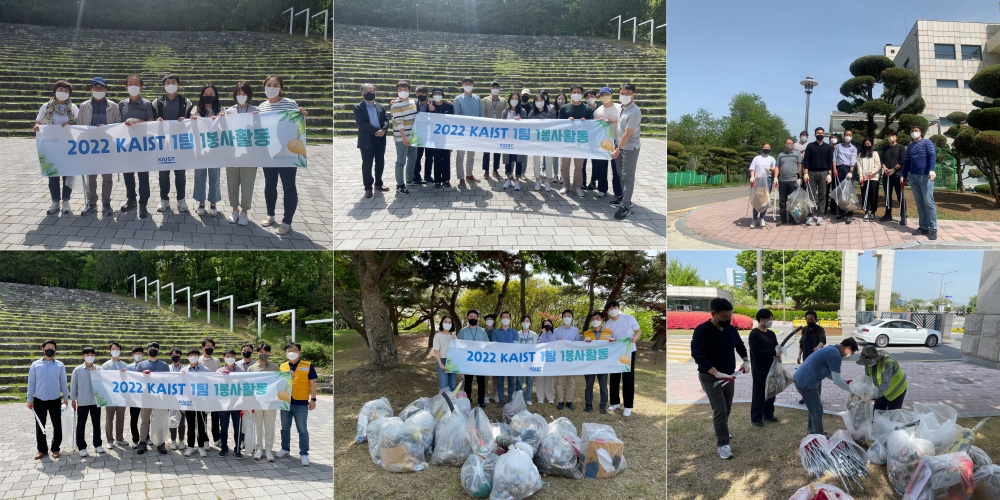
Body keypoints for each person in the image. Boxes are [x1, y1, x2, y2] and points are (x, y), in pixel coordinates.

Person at [690, 298, 749, 459]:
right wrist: (715, 373)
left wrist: (745, 360)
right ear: (713, 314)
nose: (728, 320)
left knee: (727, 407)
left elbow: (740, 345)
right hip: (710, 377)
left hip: (729, 376)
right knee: (720, 409)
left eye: (730, 316)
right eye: (724, 317)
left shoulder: (731, 329)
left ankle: (722, 429)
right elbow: (697, 354)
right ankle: (723, 444)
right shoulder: (702, 330)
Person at [257, 75, 308, 234]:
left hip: (288, 153)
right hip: (269, 153)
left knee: (289, 186)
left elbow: (297, 123)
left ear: (281, 87)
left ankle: (287, 222)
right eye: (269, 85)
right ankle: (270, 215)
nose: (271, 88)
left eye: (275, 85)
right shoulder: (262, 107)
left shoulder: (290, 103)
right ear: (264, 87)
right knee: (270, 184)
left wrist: (303, 114)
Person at [793, 338, 859, 437]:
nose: (849, 355)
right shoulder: (835, 355)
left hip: (802, 379)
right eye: (851, 353)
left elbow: (829, 372)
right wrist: (853, 390)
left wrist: (844, 381)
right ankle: (819, 435)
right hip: (806, 382)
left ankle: (811, 430)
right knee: (817, 409)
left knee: (813, 407)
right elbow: (837, 381)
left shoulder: (832, 350)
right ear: (848, 348)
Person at [33, 80, 79, 215]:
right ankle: (55, 201)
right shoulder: (46, 106)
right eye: (60, 90)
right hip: (51, 147)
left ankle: (66, 201)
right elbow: (39, 121)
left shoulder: (73, 108)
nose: (63, 93)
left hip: (68, 146)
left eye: (66, 91)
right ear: (55, 91)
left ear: (69, 93)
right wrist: (36, 127)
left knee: (68, 175)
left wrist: (70, 125)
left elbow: (79, 124)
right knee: (53, 175)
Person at [78, 76, 120, 217]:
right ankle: (91, 203)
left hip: (107, 146)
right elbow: (78, 126)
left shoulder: (113, 106)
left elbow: (118, 125)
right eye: (96, 88)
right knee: (91, 177)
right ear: (91, 89)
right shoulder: (84, 106)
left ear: (106, 90)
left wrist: (106, 128)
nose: (98, 90)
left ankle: (106, 202)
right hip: (89, 146)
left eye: (101, 88)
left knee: (107, 176)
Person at [118, 76, 157, 219]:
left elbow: (151, 123)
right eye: (130, 84)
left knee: (143, 177)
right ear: (126, 87)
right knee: (128, 175)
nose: (133, 86)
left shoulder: (147, 104)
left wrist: (138, 121)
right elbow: (117, 124)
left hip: (142, 147)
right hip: (126, 147)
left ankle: (143, 203)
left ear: (141, 87)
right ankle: (131, 199)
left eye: (136, 84)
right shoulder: (121, 104)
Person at [153, 74, 193, 213]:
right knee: (163, 175)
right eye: (168, 82)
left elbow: (192, 121)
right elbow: (151, 122)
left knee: (180, 174)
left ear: (178, 85)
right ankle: (164, 200)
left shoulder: (186, 102)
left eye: (173, 82)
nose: (170, 85)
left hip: (180, 144)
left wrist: (186, 119)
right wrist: (156, 121)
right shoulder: (156, 103)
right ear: (164, 86)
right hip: (163, 144)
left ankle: (181, 200)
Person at [27, 340, 69, 459]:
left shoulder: (60, 365)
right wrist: (29, 399)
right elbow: (31, 383)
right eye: (47, 347)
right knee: (40, 425)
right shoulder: (35, 365)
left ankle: (55, 449)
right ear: (43, 349)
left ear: (55, 350)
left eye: (52, 348)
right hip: (39, 399)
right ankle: (42, 450)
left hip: (55, 399)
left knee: (57, 425)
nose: (50, 349)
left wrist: (65, 398)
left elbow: (63, 383)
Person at [224, 81, 259, 224]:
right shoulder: (229, 111)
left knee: (247, 182)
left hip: (250, 155)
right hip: (232, 153)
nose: (241, 96)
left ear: (249, 95)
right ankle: (234, 209)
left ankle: (245, 211)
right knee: (232, 182)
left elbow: (262, 131)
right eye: (238, 94)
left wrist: (258, 120)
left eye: (244, 94)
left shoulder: (256, 111)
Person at [279, 342, 318, 466]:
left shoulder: (308, 366)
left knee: (302, 429)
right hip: (285, 402)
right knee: (285, 428)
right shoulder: (283, 366)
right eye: (289, 350)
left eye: (295, 350)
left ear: (299, 352)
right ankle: (285, 449)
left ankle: (304, 453)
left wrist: (313, 399)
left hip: (300, 403)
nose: (291, 352)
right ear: (285, 353)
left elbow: (312, 383)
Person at [190, 84, 223, 217]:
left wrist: (221, 120)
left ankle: (213, 202)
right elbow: (189, 128)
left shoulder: (221, 111)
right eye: (206, 94)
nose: (208, 96)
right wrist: (190, 121)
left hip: (216, 150)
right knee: (199, 177)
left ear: (215, 96)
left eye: (211, 94)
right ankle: (201, 202)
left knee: (215, 177)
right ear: (202, 95)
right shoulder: (195, 111)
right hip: (200, 150)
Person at [611, 83, 642, 220]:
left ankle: (626, 207)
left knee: (627, 177)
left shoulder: (635, 111)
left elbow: (627, 133)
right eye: (622, 93)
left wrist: (618, 149)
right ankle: (624, 199)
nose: (624, 96)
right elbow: (619, 122)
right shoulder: (621, 108)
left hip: (629, 148)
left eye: (627, 93)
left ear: (633, 95)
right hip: (620, 145)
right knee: (620, 174)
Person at [604, 301, 640, 416]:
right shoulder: (607, 324)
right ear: (607, 311)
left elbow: (638, 331)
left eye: (614, 307)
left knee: (628, 379)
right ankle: (615, 402)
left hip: (629, 351)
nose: (612, 309)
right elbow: (606, 338)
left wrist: (635, 338)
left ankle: (628, 406)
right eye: (610, 308)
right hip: (615, 353)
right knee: (614, 377)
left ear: (618, 308)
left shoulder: (629, 318)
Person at [355, 83, 390, 199]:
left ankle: (379, 183)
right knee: (367, 164)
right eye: (367, 91)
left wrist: (383, 130)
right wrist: (377, 131)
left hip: (380, 138)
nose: (370, 92)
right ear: (362, 93)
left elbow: (386, 120)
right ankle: (368, 187)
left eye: (372, 90)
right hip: (367, 139)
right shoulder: (358, 107)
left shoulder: (380, 106)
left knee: (380, 162)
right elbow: (361, 124)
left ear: (375, 92)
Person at [903, 124, 938, 240]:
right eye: (912, 131)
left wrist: (932, 169)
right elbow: (907, 162)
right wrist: (903, 175)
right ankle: (923, 227)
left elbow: (932, 155)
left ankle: (933, 229)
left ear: (920, 132)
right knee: (919, 204)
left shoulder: (927, 143)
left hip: (925, 177)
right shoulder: (910, 146)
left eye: (916, 130)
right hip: (913, 177)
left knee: (929, 203)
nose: (914, 132)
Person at [748, 309, 781, 427]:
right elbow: (757, 352)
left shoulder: (771, 333)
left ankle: (768, 414)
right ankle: (756, 418)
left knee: (771, 391)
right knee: (759, 393)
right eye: (769, 319)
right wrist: (774, 352)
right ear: (762, 319)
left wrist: (779, 353)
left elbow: (776, 346)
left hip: (771, 367)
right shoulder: (754, 334)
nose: (770, 321)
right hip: (759, 369)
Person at [559, 85, 593, 196]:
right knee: (564, 165)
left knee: (579, 166)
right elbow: (559, 124)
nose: (576, 94)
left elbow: (592, 125)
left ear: (582, 94)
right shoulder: (564, 108)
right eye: (574, 92)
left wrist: (586, 122)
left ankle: (577, 186)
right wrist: (567, 121)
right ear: (570, 94)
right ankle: (565, 185)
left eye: (578, 92)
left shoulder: (587, 108)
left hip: (581, 142)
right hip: (567, 140)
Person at [136, 342, 170, 455]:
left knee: (160, 420)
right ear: (147, 351)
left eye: (155, 348)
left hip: (160, 397)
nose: (153, 350)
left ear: (158, 351)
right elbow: (135, 380)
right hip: (145, 397)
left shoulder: (164, 365)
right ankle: (142, 441)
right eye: (150, 348)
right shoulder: (141, 365)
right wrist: (142, 376)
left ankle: (161, 443)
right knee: (144, 421)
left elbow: (169, 381)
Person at [70, 347, 105, 457]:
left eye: (92, 354)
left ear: (94, 356)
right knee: (81, 424)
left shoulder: (99, 369)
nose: (89, 356)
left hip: (96, 401)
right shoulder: (78, 370)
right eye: (87, 354)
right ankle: (81, 446)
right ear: (83, 356)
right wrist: (73, 399)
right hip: (83, 401)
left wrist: (97, 375)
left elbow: (104, 384)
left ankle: (98, 444)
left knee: (96, 423)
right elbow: (73, 385)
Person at [248, 343, 279, 461]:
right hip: (257, 403)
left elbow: (280, 383)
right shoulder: (251, 368)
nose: (263, 354)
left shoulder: (275, 367)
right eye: (261, 352)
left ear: (269, 353)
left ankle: (269, 450)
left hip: (271, 402)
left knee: (270, 427)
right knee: (258, 427)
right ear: (257, 353)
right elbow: (248, 385)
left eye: (266, 352)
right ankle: (259, 449)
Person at [389, 80, 419, 194]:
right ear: (397, 91)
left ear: (409, 90)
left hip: (413, 136)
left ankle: (409, 179)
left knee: (412, 158)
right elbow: (399, 123)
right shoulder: (395, 105)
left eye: (405, 89)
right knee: (401, 161)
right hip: (402, 137)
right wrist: (404, 138)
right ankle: (400, 185)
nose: (402, 91)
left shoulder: (412, 102)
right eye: (400, 89)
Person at [856, 345, 908, 410]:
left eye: (869, 361)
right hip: (881, 389)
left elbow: (886, 384)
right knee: (877, 412)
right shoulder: (867, 363)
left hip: (897, 390)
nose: (867, 364)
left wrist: (872, 396)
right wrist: (863, 392)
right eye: (866, 362)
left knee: (892, 415)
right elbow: (868, 378)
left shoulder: (887, 363)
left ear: (876, 358)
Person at [590, 87, 620, 198]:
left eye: (606, 94)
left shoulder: (619, 107)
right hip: (602, 142)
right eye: (602, 95)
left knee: (617, 169)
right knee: (601, 167)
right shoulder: (598, 111)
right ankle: (602, 189)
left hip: (617, 141)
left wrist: (614, 121)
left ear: (612, 95)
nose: (604, 96)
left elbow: (625, 121)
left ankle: (618, 191)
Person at [180, 349, 210, 457]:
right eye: (191, 355)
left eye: (195, 355)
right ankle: (190, 446)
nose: (193, 356)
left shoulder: (205, 369)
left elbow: (209, 384)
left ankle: (201, 446)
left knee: (201, 425)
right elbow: (179, 386)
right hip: (189, 402)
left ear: (198, 356)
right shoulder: (183, 370)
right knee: (191, 424)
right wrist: (181, 376)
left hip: (201, 401)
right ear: (187, 357)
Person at [802, 127, 834, 226]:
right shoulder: (810, 146)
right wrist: (805, 173)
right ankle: (810, 216)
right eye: (818, 133)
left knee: (822, 195)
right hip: (811, 173)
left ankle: (820, 215)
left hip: (824, 172)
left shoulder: (828, 147)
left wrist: (829, 174)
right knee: (811, 195)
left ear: (824, 135)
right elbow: (806, 160)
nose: (820, 134)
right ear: (815, 134)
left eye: (821, 133)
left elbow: (830, 161)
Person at [581, 311, 613, 414]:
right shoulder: (586, 333)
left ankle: (603, 405)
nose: (596, 320)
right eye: (593, 319)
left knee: (603, 385)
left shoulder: (609, 333)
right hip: (590, 364)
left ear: (602, 320)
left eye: (598, 318)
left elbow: (613, 347)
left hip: (603, 364)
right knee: (589, 385)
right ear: (590, 321)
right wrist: (584, 342)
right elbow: (581, 348)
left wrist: (614, 342)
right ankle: (588, 405)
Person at [452, 77, 482, 185]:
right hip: (462, 132)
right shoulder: (458, 99)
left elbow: (480, 115)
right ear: (462, 85)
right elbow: (457, 116)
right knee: (460, 155)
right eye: (466, 83)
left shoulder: (477, 99)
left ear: (473, 85)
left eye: (470, 83)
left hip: (474, 132)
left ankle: (469, 174)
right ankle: (461, 178)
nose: (468, 84)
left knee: (471, 155)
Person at [457, 310, 489, 408]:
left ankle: (481, 401)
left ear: (477, 318)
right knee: (468, 383)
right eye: (471, 316)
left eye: (475, 316)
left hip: (479, 362)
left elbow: (487, 344)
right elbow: (457, 345)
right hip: (468, 362)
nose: (473, 318)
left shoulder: (483, 331)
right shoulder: (462, 331)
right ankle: (467, 400)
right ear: (467, 318)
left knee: (481, 383)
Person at [216, 349, 245, 458]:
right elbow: (215, 385)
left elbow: (244, 385)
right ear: (224, 358)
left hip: (237, 404)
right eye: (228, 355)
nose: (230, 357)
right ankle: (224, 448)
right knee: (223, 427)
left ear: (235, 357)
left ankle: (237, 449)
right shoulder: (219, 371)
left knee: (237, 428)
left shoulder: (241, 371)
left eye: (232, 355)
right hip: (223, 404)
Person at [528, 92, 557, 191]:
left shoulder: (551, 112)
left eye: (541, 100)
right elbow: (529, 127)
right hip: (536, 141)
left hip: (548, 140)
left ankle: (548, 180)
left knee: (549, 161)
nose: (539, 102)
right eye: (537, 101)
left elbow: (555, 125)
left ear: (544, 101)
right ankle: (537, 179)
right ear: (534, 102)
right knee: (536, 161)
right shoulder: (532, 113)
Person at [101, 342, 128, 448]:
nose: (115, 351)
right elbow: (102, 379)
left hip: (122, 396)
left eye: (117, 349)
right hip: (110, 396)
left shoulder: (125, 365)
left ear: (120, 351)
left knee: (121, 418)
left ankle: (119, 438)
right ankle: (109, 440)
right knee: (109, 418)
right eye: (113, 349)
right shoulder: (105, 365)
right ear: (110, 351)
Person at [796, 310, 827, 404]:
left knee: (817, 377)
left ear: (815, 320)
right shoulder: (804, 329)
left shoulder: (820, 329)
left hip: (817, 357)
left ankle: (817, 397)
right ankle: (806, 397)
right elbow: (801, 342)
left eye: (812, 319)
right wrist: (799, 355)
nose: (810, 321)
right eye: (808, 319)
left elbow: (823, 339)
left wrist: (818, 347)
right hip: (806, 357)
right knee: (806, 377)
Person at [554, 309, 580, 410]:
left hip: (571, 360)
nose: (567, 317)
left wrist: (574, 343)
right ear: (562, 318)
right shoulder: (557, 330)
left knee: (571, 382)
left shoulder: (576, 330)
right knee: (559, 382)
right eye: (565, 315)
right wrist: (558, 342)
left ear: (572, 318)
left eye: (569, 316)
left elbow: (578, 346)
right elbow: (552, 345)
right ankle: (560, 401)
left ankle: (569, 401)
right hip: (560, 360)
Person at [880, 129, 907, 224]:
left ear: (896, 137)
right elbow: (882, 160)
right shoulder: (885, 149)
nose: (890, 137)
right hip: (887, 176)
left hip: (897, 175)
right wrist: (885, 168)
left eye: (892, 135)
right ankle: (888, 214)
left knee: (901, 196)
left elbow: (902, 161)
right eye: (888, 135)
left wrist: (893, 170)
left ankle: (903, 216)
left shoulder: (901, 148)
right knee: (887, 196)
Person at [501, 91, 528, 190]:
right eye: (513, 98)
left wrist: (520, 121)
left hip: (519, 140)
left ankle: (517, 180)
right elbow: (501, 124)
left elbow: (526, 124)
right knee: (508, 160)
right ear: (509, 99)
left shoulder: (523, 111)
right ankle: (508, 179)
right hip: (508, 139)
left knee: (519, 160)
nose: (514, 100)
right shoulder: (505, 112)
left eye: (516, 98)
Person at [428, 88, 454, 188]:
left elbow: (453, 119)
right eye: (435, 94)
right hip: (435, 137)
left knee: (446, 158)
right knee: (437, 158)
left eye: (439, 94)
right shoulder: (430, 106)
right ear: (432, 96)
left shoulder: (449, 105)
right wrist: (432, 111)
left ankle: (446, 179)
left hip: (447, 136)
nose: (437, 96)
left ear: (442, 95)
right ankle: (437, 180)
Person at [748, 142, 777, 228]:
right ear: (762, 148)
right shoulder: (757, 158)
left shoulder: (772, 159)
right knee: (756, 200)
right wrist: (752, 177)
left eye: (768, 147)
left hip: (767, 180)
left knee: (764, 200)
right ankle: (754, 219)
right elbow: (752, 168)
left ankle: (762, 218)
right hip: (758, 180)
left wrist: (771, 169)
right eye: (765, 147)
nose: (766, 149)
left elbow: (775, 169)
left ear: (770, 149)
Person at [832, 129, 859, 223]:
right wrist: (834, 169)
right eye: (846, 134)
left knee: (848, 193)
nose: (848, 136)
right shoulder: (838, 146)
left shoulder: (853, 148)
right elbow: (834, 158)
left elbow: (853, 161)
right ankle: (841, 211)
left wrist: (851, 172)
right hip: (838, 169)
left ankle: (849, 214)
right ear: (843, 136)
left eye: (850, 135)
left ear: (852, 136)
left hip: (848, 170)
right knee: (839, 191)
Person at [199, 338, 221, 448]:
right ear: (203, 347)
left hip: (215, 393)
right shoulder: (198, 360)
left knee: (216, 418)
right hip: (203, 393)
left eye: (211, 346)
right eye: (207, 346)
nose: (209, 348)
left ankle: (217, 438)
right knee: (203, 419)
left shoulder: (216, 361)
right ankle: (204, 440)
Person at [492, 311, 518, 404]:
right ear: (500, 319)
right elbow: (494, 346)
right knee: (500, 382)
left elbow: (515, 346)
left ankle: (510, 399)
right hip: (499, 361)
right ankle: (502, 400)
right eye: (503, 317)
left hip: (511, 361)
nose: (505, 318)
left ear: (510, 319)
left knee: (511, 382)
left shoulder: (515, 332)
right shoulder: (495, 332)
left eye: (507, 317)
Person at [776, 138, 802, 226]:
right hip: (782, 181)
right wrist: (775, 177)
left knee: (793, 201)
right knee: (782, 201)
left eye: (791, 143)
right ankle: (782, 219)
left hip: (793, 180)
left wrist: (800, 177)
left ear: (793, 144)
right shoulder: (780, 155)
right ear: (785, 144)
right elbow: (777, 167)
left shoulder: (797, 154)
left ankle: (792, 219)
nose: (789, 145)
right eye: (787, 143)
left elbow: (799, 166)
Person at [481, 81, 504, 178]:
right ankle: (486, 170)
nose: (495, 88)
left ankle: (495, 170)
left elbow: (504, 114)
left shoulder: (503, 100)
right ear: (490, 88)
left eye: (497, 87)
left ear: (499, 89)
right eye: (493, 87)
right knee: (486, 151)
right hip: (488, 128)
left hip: (499, 129)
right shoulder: (485, 100)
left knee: (497, 151)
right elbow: (483, 114)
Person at [166, 347, 187, 450]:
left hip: (183, 398)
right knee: (172, 420)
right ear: (171, 356)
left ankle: (182, 440)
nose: (175, 356)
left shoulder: (185, 369)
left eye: (178, 354)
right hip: (171, 398)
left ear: (180, 356)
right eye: (173, 354)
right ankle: (173, 440)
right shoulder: (167, 368)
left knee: (182, 421)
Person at [856, 137, 882, 222]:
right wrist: (861, 176)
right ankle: (866, 212)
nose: (867, 145)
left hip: (873, 178)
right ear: (863, 145)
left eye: (868, 144)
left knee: (873, 195)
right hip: (864, 178)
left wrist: (872, 172)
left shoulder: (875, 153)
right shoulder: (860, 155)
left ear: (871, 144)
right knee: (864, 195)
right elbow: (859, 166)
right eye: (865, 144)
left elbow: (878, 165)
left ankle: (873, 212)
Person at [411, 85, 432, 185]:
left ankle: (428, 176)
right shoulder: (412, 104)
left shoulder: (433, 103)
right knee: (417, 157)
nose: (420, 95)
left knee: (429, 157)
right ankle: (416, 176)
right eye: (418, 93)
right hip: (417, 134)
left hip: (430, 134)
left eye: (423, 93)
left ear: (427, 94)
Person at [515, 315, 538, 404]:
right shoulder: (517, 334)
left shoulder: (534, 334)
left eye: (527, 321)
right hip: (520, 360)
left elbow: (537, 347)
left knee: (530, 380)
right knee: (519, 380)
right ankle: (518, 397)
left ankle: (528, 398)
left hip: (530, 361)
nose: (526, 323)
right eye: (524, 321)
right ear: (521, 323)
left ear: (530, 323)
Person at [432, 316, 458, 391]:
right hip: (442, 360)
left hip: (452, 361)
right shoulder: (438, 335)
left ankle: (451, 402)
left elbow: (457, 350)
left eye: (449, 322)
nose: (447, 323)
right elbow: (436, 351)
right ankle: (442, 402)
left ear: (452, 324)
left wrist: (455, 340)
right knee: (443, 385)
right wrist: (440, 364)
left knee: (452, 384)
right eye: (445, 322)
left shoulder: (452, 337)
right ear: (442, 323)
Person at [126, 346, 144, 448]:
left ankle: (146, 437)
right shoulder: (128, 368)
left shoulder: (146, 366)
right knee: (134, 419)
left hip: (145, 397)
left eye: (140, 353)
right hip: (133, 398)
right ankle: (135, 439)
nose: (138, 355)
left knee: (146, 419)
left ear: (143, 355)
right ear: (132, 355)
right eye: (135, 353)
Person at [536, 320, 557, 405]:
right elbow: (540, 344)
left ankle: (550, 398)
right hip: (540, 360)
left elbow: (553, 344)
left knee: (549, 381)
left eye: (548, 324)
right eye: (545, 324)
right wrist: (543, 333)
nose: (547, 325)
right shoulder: (540, 335)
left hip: (550, 360)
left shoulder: (554, 335)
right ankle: (540, 398)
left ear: (551, 325)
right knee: (540, 380)